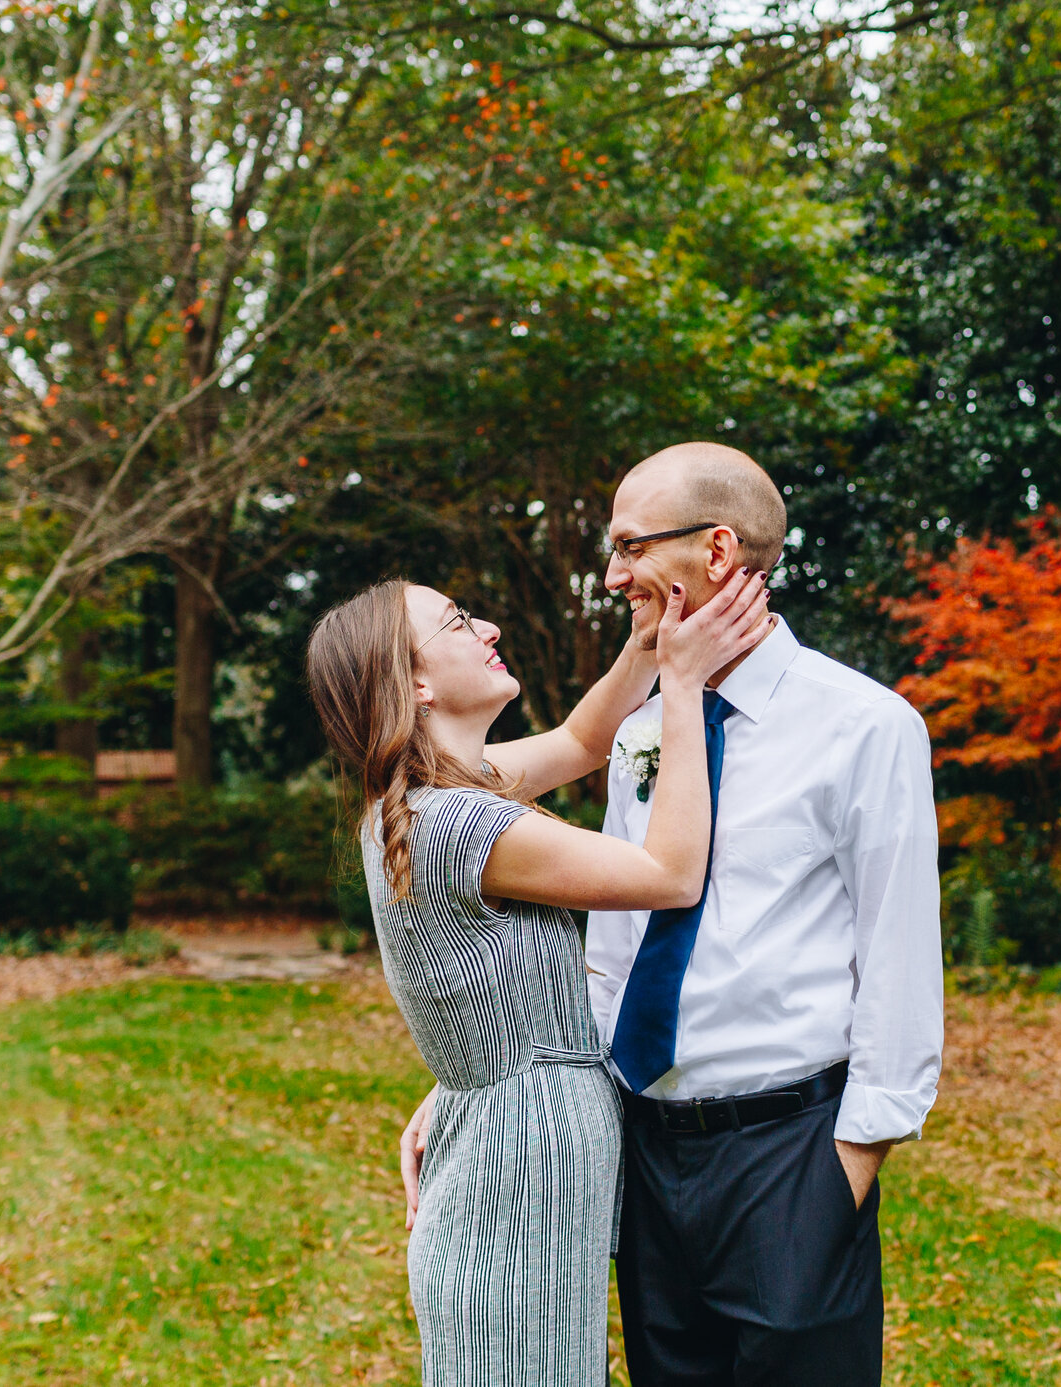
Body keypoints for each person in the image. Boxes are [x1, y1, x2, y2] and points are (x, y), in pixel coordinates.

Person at [305, 566, 773, 1387]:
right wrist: (685, 685)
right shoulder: (461, 822)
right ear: (414, 683)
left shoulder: (423, 800)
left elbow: (583, 743)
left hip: (514, 1144)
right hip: (522, 1162)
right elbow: (669, 874)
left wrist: (644, 649)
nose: (486, 628)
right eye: (456, 623)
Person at [589, 441, 942, 1385]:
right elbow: (614, 949)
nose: (614, 574)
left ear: (715, 551)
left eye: (629, 547)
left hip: (792, 1155)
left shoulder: (866, 725)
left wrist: (849, 1166)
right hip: (647, 1150)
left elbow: (901, 960)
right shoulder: (639, 737)